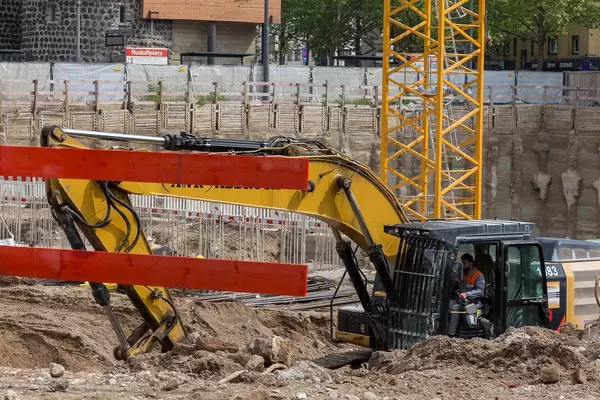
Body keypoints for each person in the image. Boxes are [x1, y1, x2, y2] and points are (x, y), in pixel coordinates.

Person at [448, 252, 485, 336]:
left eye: (464, 263)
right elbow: (456, 286)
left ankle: (451, 335)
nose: (462, 266)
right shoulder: (462, 274)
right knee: (445, 304)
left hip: (473, 303)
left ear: (470, 264)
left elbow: (480, 292)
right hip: (461, 301)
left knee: (454, 308)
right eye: (461, 263)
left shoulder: (478, 275)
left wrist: (466, 294)